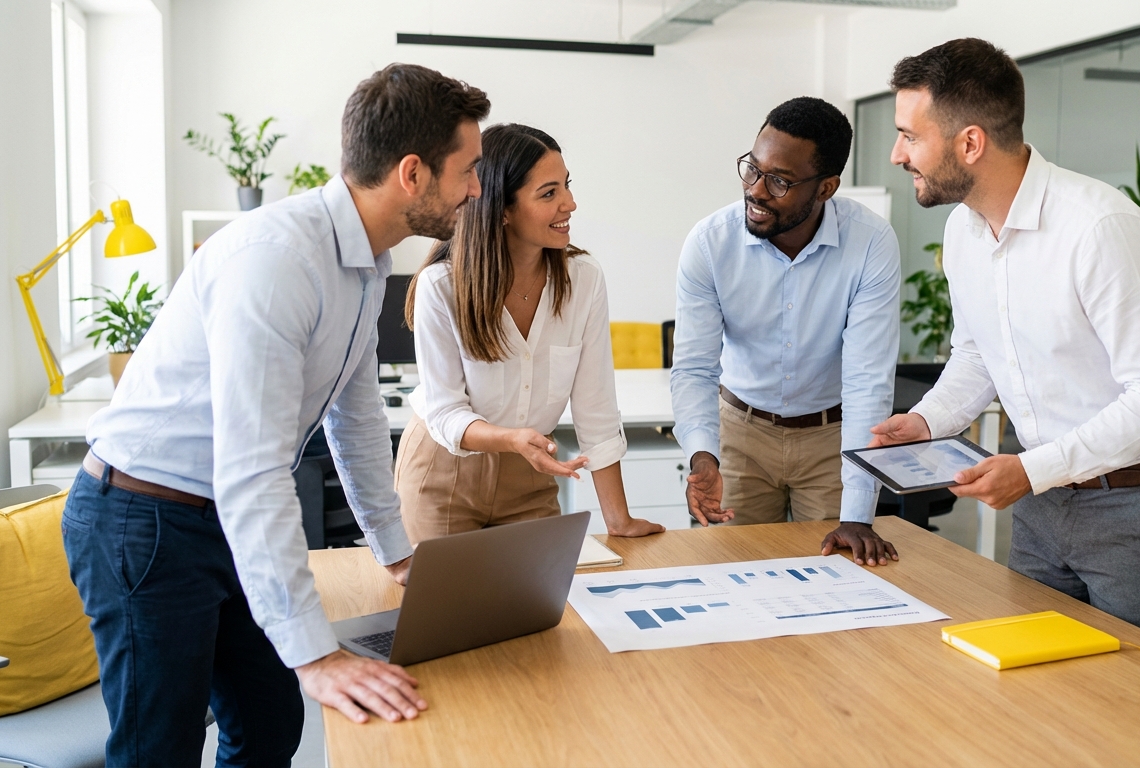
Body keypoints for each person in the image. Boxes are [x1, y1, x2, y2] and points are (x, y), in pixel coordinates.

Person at [63, 64, 488, 765]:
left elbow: (354, 416)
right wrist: (317, 657)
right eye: (468, 169)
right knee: (157, 750)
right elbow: (252, 469)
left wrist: (396, 551)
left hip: (219, 515)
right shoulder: (279, 259)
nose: (476, 188)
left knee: (268, 724)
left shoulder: (367, 262)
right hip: (146, 518)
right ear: (412, 173)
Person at [875, 38, 1140, 646]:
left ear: (970, 143)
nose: (897, 154)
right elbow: (976, 354)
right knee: (1034, 683)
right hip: (1041, 502)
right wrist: (925, 421)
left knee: (1136, 691)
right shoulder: (963, 230)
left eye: (909, 136)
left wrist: (1033, 470)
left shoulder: (1100, 228)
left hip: (1138, 507)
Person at [397, 123, 663, 542]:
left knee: (544, 586)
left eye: (567, 186)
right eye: (549, 193)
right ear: (501, 209)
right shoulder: (442, 286)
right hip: (443, 473)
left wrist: (619, 521)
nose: (570, 204)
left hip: (531, 473)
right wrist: (512, 439)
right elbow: (445, 413)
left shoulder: (583, 280)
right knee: (446, 589)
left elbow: (596, 409)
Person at [671, 96, 903, 565]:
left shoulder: (870, 243)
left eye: (779, 181)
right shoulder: (711, 243)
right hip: (740, 436)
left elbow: (867, 382)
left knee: (836, 579)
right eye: (752, 170)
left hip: (831, 440)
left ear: (826, 188)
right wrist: (703, 455)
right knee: (731, 575)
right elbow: (694, 368)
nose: (756, 190)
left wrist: (859, 512)